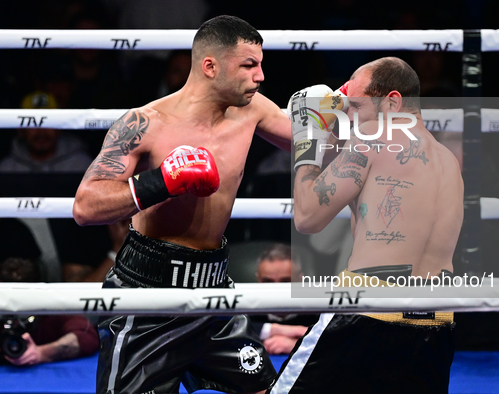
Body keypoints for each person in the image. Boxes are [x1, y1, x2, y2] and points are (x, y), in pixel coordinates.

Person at [72, 15, 291, 394]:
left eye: (260, 64)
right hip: (147, 296)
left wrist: (339, 108)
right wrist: (162, 181)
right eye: (248, 65)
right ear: (210, 66)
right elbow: (86, 207)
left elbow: (321, 143)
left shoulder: (253, 109)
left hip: (214, 292)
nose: (260, 77)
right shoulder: (145, 122)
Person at [268, 57, 464, 393]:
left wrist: (308, 138)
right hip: (437, 324)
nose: (350, 115)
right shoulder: (449, 161)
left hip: (367, 315)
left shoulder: (373, 137)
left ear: (392, 101)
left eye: (356, 106)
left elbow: (307, 218)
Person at [0, 257, 99, 366]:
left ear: (38, 294)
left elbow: (86, 335)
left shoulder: (52, 313)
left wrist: (42, 352)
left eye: (21, 301)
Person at [251, 244, 318, 355]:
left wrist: (298, 345)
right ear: (258, 280)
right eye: (268, 282)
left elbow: (341, 344)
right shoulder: (242, 309)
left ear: (300, 281)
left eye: (286, 282)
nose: (276, 290)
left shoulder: (319, 312)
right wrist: (272, 329)